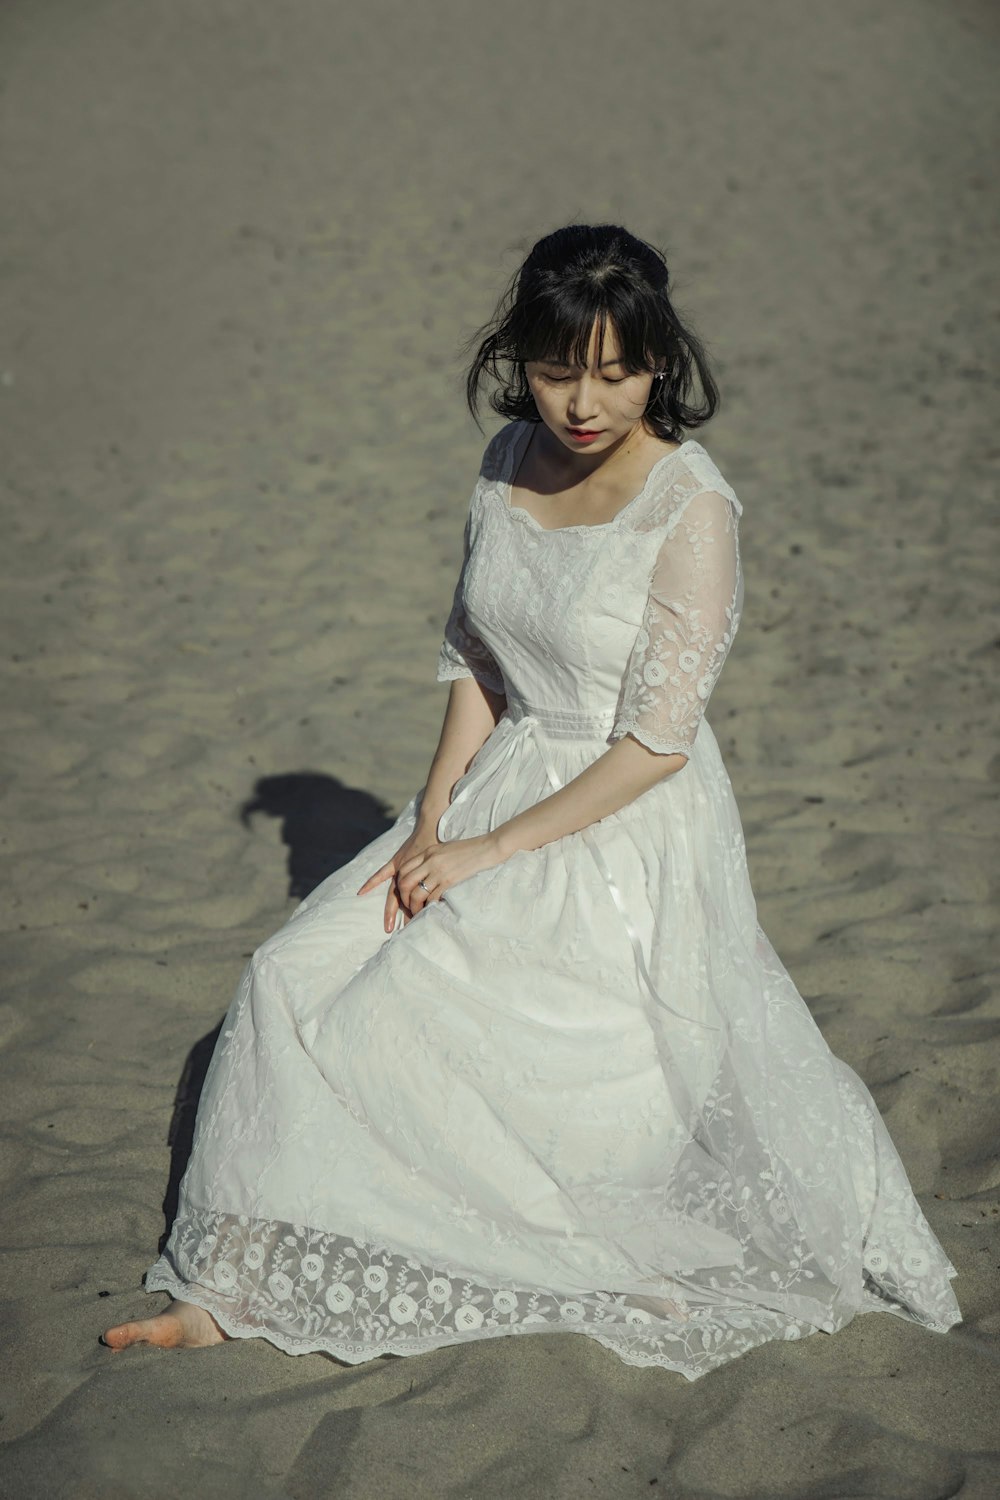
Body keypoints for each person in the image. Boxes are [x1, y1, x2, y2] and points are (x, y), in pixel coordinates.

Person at [102, 224, 961, 1379]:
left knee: (429, 1037)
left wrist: (487, 853)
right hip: (494, 782)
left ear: (660, 362)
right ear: (522, 359)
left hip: (616, 826)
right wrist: (428, 823)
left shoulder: (691, 506)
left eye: (615, 371)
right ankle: (230, 1285)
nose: (583, 403)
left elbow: (656, 744)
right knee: (288, 976)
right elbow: (476, 656)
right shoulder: (509, 456)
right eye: (560, 370)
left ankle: (549, 1256)